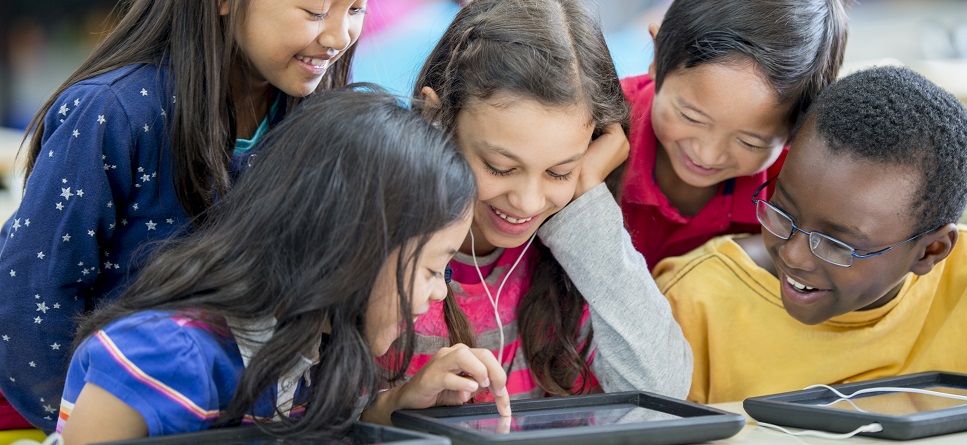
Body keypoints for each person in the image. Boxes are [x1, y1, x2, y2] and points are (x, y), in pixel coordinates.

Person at [56, 87, 510, 444]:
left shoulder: (316, 357)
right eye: (432, 270)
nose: (440, 293)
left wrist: (396, 406)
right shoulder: (166, 358)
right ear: (349, 249)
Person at [0, 0, 366, 429]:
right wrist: (86, 425)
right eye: (315, 11)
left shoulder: (323, 120)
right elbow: (30, 304)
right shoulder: (114, 112)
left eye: (357, 8)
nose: (340, 36)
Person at [361, 0, 692, 422]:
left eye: (559, 171)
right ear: (436, 118)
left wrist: (587, 205)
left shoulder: (574, 252)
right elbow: (305, 419)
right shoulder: (381, 251)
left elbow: (662, 394)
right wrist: (393, 407)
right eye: (500, 167)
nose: (528, 202)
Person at [656, 66, 967, 404]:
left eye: (838, 244)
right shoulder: (695, 305)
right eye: (782, 212)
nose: (795, 255)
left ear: (931, 250)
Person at [620, 0, 849, 270]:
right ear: (657, 58)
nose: (708, 154)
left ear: (796, 133)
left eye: (749, 142)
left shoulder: (798, 186)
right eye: (691, 117)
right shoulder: (592, 133)